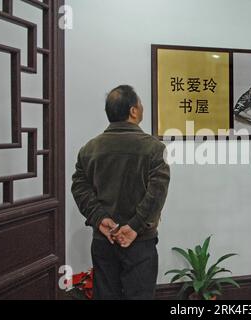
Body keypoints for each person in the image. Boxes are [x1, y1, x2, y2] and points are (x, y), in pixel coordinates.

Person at [71, 85, 170, 300]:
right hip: (140, 241)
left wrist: (100, 219)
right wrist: (134, 226)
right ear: (133, 111)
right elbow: (157, 193)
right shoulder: (154, 148)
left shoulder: (89, 148)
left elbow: (79, 188)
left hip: (104, 240)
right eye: (140, 104)